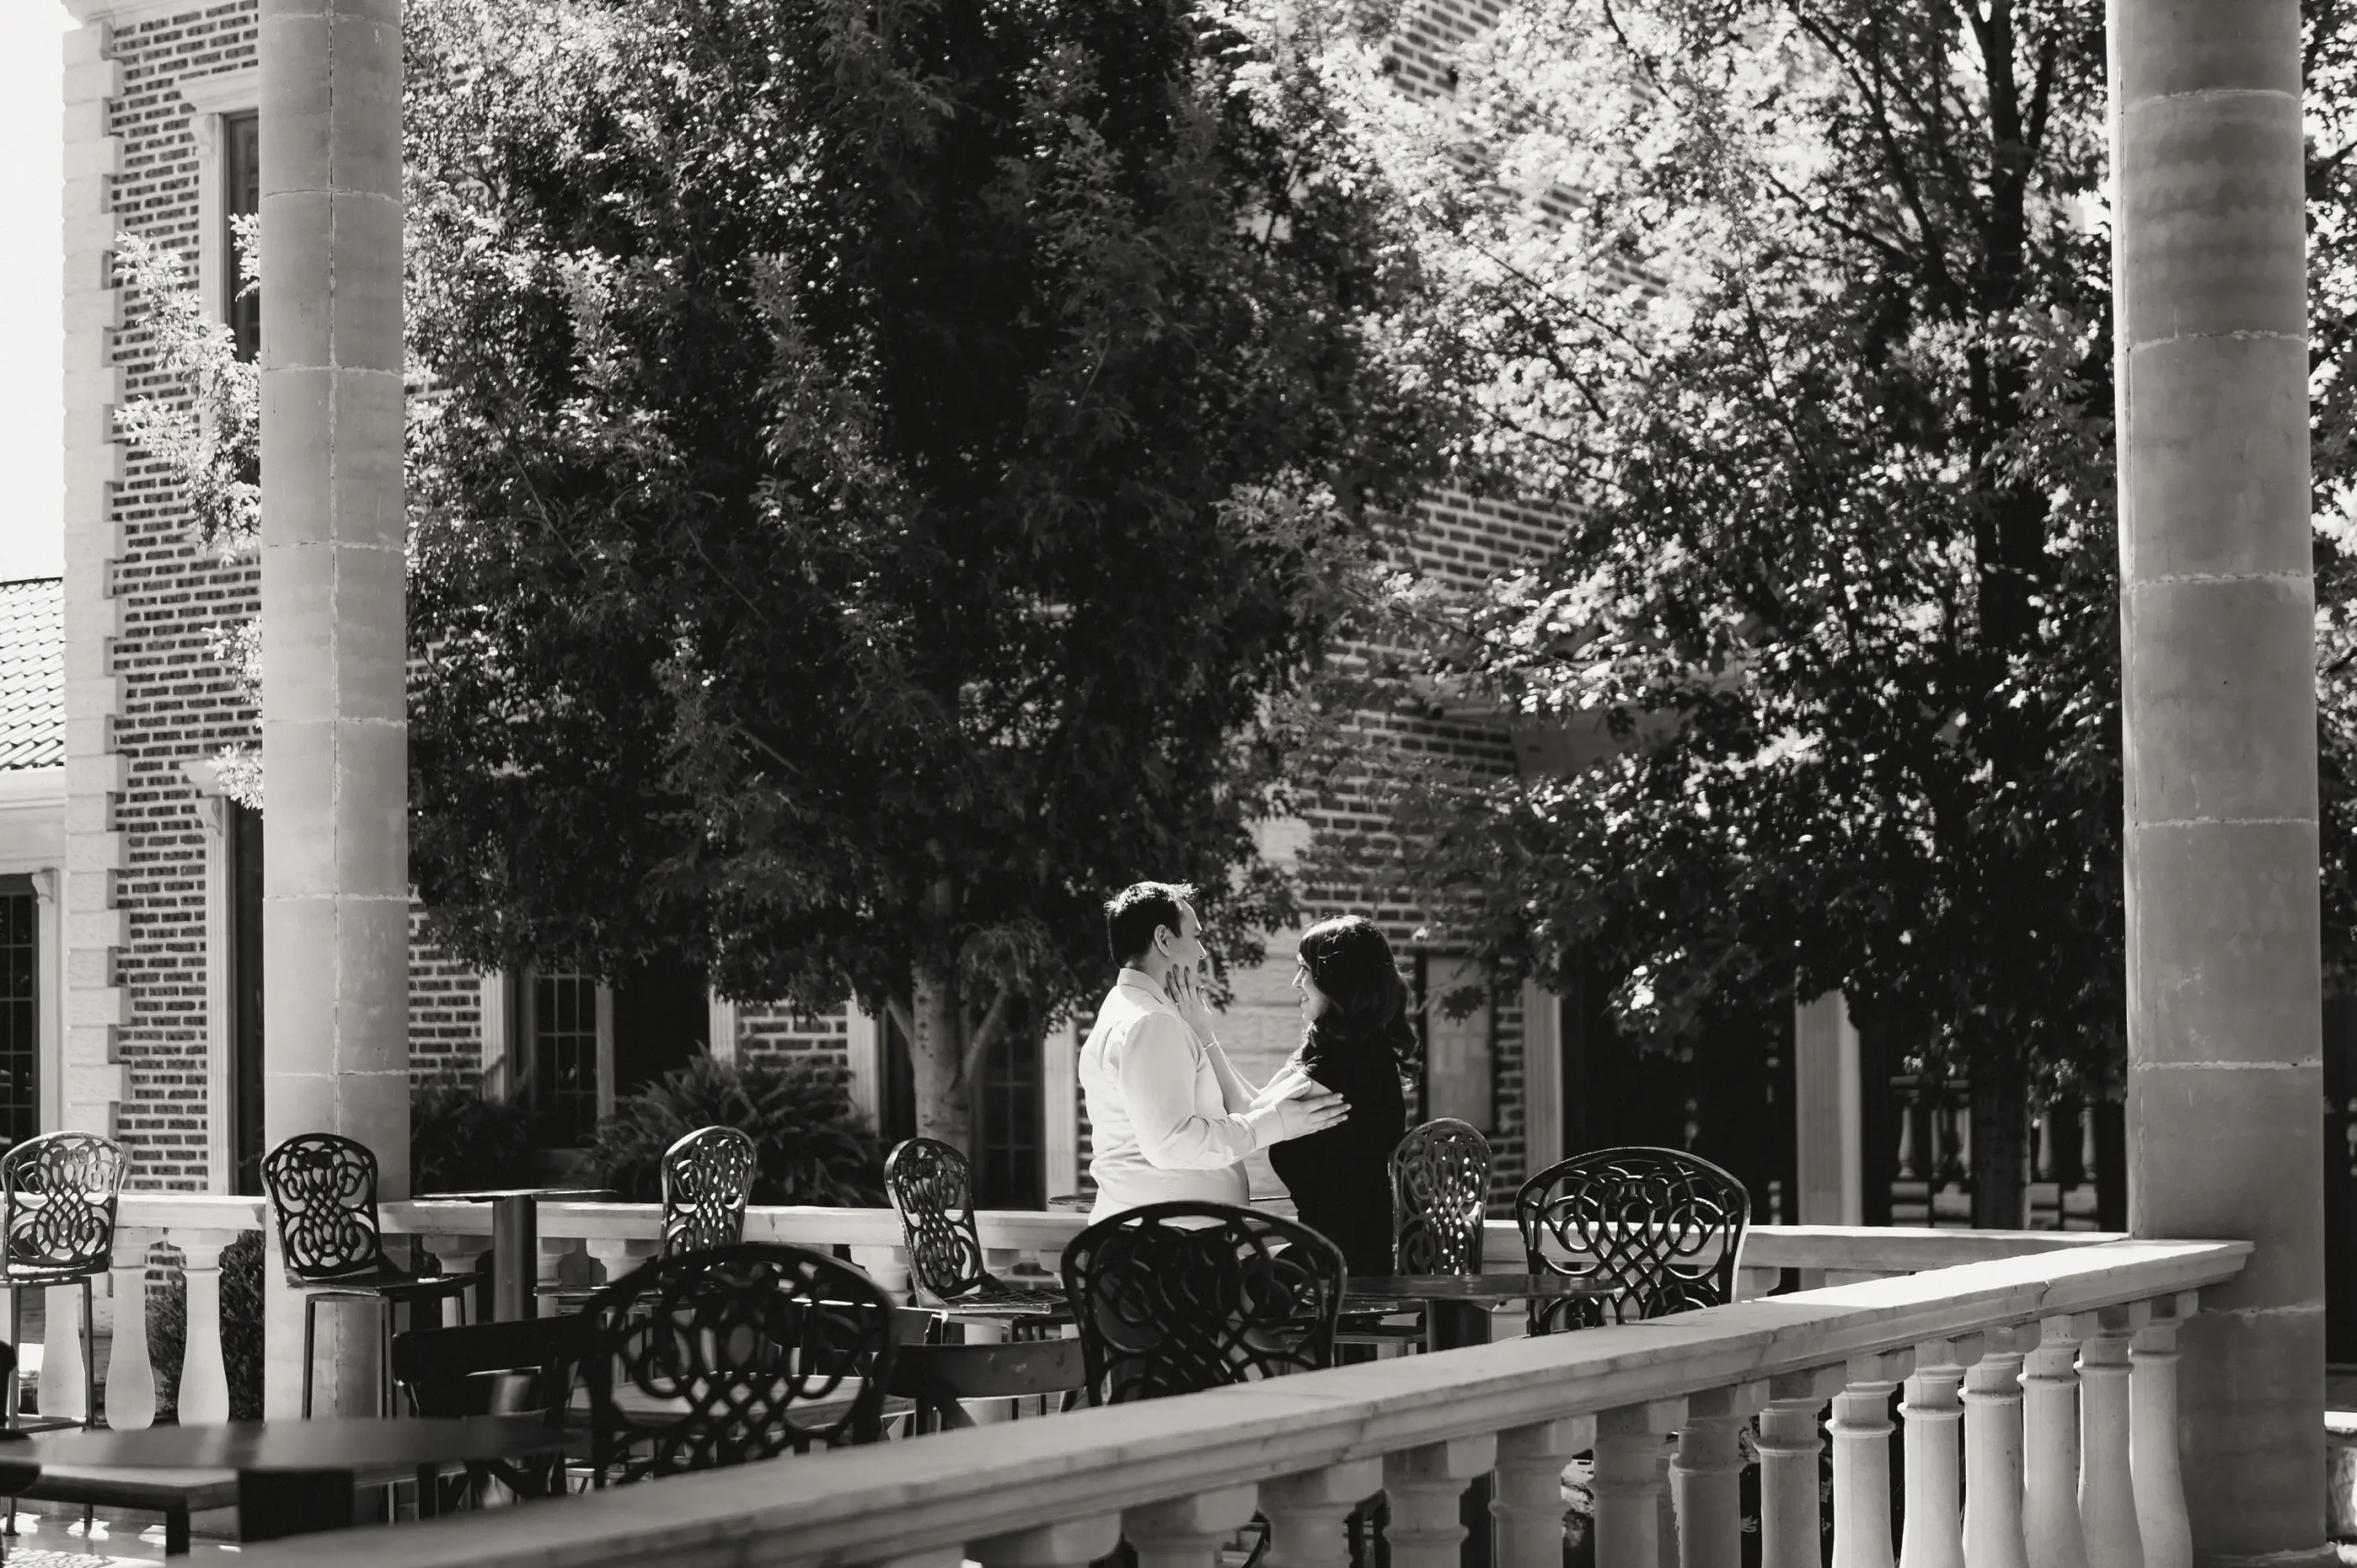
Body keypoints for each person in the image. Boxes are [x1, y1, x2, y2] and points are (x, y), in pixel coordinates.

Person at [1079, 882, 1349, 1217]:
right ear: (1164, 939)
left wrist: (1203, 1034)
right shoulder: (1152, 1022)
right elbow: (1171, 1144)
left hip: (1165, 1231)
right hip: (1167, 1237)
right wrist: (1272, 1124)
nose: (1203, 953)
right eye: (1196, 936)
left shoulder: (1127, 1008)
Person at [1265, 917, 1413, 1276]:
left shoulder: (1343, 1065)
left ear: (1337, 980)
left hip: (1340, 1264)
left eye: (1304, 970)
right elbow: (1256, 1102)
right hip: (1350, 1254)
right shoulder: (1361, 1051)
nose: (1296, 982)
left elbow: (1246, 1115)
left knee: (1216, 1286)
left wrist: (1204, 1037)